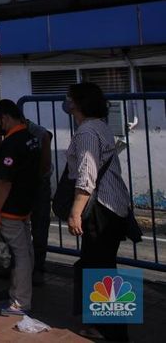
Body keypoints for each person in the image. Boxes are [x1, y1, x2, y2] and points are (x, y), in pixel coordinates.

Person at [64, 83, 132, 342]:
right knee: (99, 266)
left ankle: (114, 330)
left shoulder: (87, 132)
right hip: (113, 205)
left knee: (100, 268)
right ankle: (101, 324)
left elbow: (86, 175)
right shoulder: (100, 126)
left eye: (69, 98)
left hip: (101, 208)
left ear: (78, 104)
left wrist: (75, 212)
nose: (66, 102)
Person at [0, 99, 40, 316]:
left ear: (5, 117)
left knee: (19, 254)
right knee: (25, 250)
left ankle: (20, 301)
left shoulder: (11, 143)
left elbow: (5, 181)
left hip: (10, 208)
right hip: (24, 204)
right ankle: (18, 292)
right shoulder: (31, 139)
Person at [25, 117, 53, 285]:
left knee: (39, 228)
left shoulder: (39, 134)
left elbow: (45, 166)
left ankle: (37, 269)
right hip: (34, 184)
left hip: (37, 185)